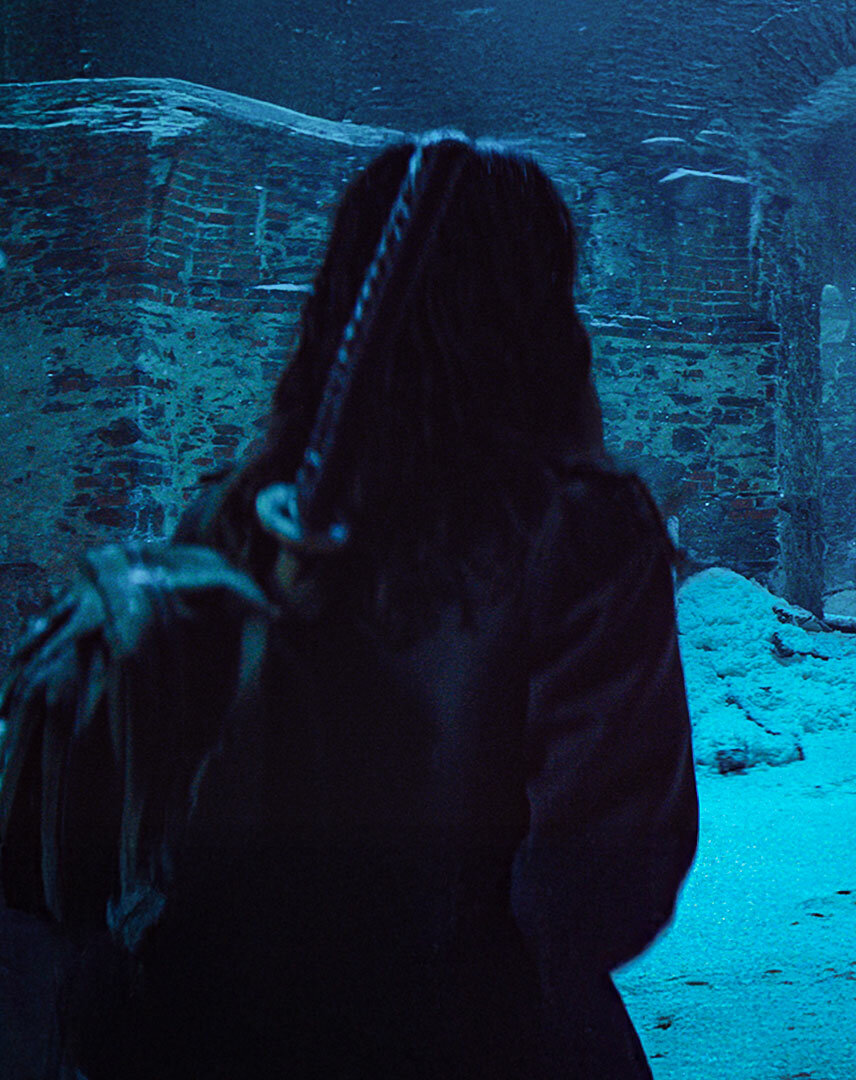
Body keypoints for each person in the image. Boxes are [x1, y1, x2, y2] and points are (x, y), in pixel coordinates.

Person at [1, 133, 698, 1078]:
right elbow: (602, 886)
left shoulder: (230, 513)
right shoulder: (580, 534)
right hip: (482, 1044)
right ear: (540, 310)